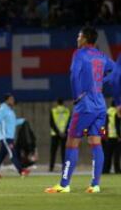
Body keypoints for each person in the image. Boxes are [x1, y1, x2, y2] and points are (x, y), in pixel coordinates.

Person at [45, 26, 114, 194]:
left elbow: (74, 75)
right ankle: (95, 185)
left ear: (85, 39)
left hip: (85, 106)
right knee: (95, 143)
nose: (77, 38)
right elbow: (115, 71)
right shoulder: (102, 56)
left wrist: (77, 96)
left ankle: (64, 184)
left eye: (79, 36)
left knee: (71, 142)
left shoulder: (79, 54)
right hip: (100, 106)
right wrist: (101, 82)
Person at [0, 93, 30, 178]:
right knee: (12, 153)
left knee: (1, 156)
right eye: (11, 99)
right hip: (5, 137)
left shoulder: (10, 111)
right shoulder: (2, 110)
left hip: (10, 137)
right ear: (7, 100)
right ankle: (21, 171)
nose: (13, 101)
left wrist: (23, 121)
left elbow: (13, 123)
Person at [49, 98, 70, 172]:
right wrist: (64, 132)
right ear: (63, 103)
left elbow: (52, 123)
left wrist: (58, 132)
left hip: (55, 134)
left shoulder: (53, 110)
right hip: (64, 134)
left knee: (53, 152)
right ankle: (64, 168)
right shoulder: (67, 111)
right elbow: (69, 123)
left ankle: (51, 168)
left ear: (57, 103)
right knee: (64, 152)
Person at [102, 100, 121, 174]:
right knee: (116, 155)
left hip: (108, 137)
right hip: (116, 137)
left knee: (107, 155)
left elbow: (104, 125)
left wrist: (103, 135)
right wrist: (119, 135)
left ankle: (106, 170)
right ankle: (117, 170)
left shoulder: (107, 112)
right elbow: (117, 125)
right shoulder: (117, 112)